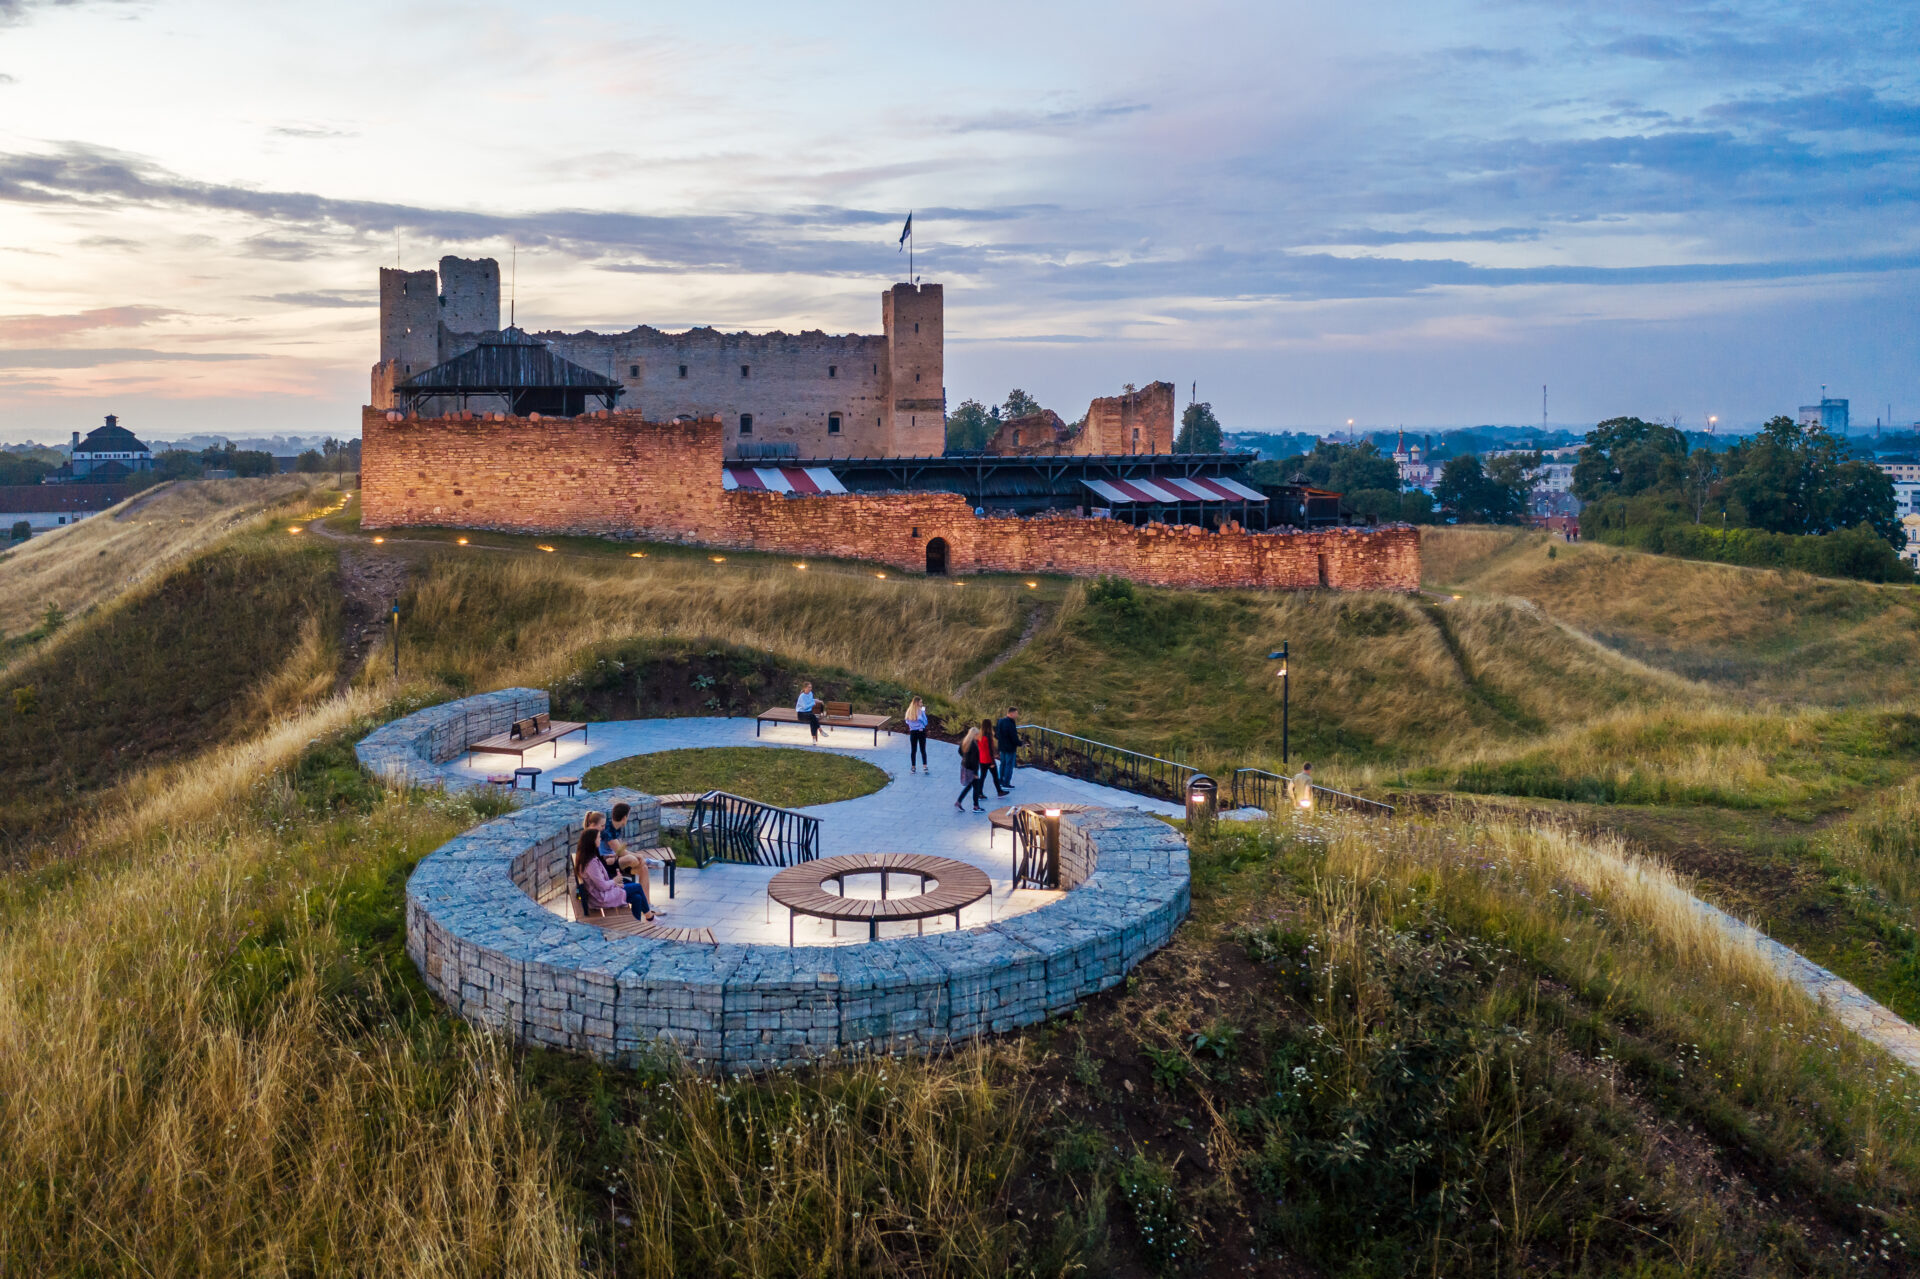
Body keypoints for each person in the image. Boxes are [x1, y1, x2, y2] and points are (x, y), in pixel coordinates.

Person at [576, 822, 654, 921]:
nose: (600, 839)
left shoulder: (589, 856)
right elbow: (602, 886)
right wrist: (615, 881)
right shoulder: (590, 863)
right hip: (601, 898)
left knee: (637, 897)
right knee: (637, 887)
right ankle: (649, 916)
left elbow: (600, 879)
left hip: (602, 893)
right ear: (592, 841)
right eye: (598, 837)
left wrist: (615, 882)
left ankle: (637, 923)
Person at [977, 717, 1008, 799]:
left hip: (982, 759)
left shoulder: (979, 736)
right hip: (989, 760)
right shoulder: (988, 737)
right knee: (995, 776)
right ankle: (999, 791)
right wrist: (992, 762)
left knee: (982, 776)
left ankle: (979, 793)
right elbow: (990, 750)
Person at [954, 723, 982, 811]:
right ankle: (975, 806)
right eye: (978, 734)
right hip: (971, 769)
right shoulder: (974, 745)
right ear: (975, 735)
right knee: (975, 787)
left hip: (965, 766)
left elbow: (959, 751)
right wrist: (976, 773)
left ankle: (959, 801)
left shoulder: (965, 741)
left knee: (970, 785)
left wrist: (964, 757)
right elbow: (974, 760)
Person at [994, 706, 1020, 790]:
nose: (1017, 715)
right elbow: (1013, 737)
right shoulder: (1010, 723)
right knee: (1009, 765)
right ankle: (1006, 782)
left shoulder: (1000, 721)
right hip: (1010, 748)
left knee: (1003, 763)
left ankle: (1001, 780)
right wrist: (1020, 743)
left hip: (1002, 747)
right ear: (1011, 713)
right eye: (1016, 713)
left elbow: (996, 734)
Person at [904, 696, 930, 773]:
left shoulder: (909, 711)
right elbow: (925, 722)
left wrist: (913, 726)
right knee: (923, 749)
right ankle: (925, 766)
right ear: (917, 703)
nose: (922, 703)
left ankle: (913, 767)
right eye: (921, 702)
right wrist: (923, 715)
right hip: (921, 731)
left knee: (913, 750)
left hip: (913, 732)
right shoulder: (921, 711)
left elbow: (907, 721)